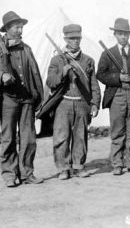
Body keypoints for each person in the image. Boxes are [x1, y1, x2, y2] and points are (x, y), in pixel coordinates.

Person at [0, 11, 44, 187]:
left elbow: (35, 74)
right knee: (8, 138)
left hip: (27, 100)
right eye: (17, 27)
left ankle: (27, 174)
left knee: (29, 139)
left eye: (21, 26)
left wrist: (38, 98)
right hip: (8, 100)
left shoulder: (26, 49)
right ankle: (9, 175)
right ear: (8, 29)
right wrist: (2, 76)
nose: (20, 30)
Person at [46, 24, 101, 179]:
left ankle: (78, 166)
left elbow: (94, 84)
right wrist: (63, 72)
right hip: (63, 103)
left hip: (82, 103)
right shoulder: (57, 60)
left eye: (78, 38)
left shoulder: (88, 60)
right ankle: (63, 168)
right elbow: (50, 81)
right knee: (61, 137)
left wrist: (95, 103)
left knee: (80, 137)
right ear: (65, 39)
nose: (75, 41)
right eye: (72, 38)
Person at [96, 18, 130, 175]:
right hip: (117, 95)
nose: (123, 37)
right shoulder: (107, 54)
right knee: (117, 131)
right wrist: (118, 78)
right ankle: (117, 164)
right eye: (120, 34)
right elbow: (101, 74)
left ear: (129, 35)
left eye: (126, 34)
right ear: (115, 34)